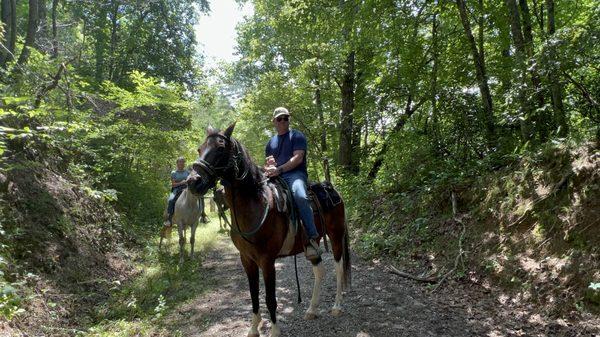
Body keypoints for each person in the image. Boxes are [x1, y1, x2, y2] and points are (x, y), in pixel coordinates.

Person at [264, 107, 322, 259]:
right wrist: (269, 167)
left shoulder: (296, 136)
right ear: (274, 122)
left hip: (295, 174)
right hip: (276, 176)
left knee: (300, 196)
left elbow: (298, 158)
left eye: (286, 118)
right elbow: (270, 162)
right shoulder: (270, 143)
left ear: (289, 119)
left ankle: (311, 237)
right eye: (279, 118)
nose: (283, 121)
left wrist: (279, 169)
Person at [164, 157, 190, 227]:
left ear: (184, 163)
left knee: (197, 196)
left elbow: (190, 181)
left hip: (186, 189)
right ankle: (169, 219)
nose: (181, 163)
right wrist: (181, 183)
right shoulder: (174, 173)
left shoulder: (187, 172)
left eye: (183, 162)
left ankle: (202, 215)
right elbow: (173, 184)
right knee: (171, 200)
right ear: (177, 163)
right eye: (180, 162)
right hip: (176, 189)